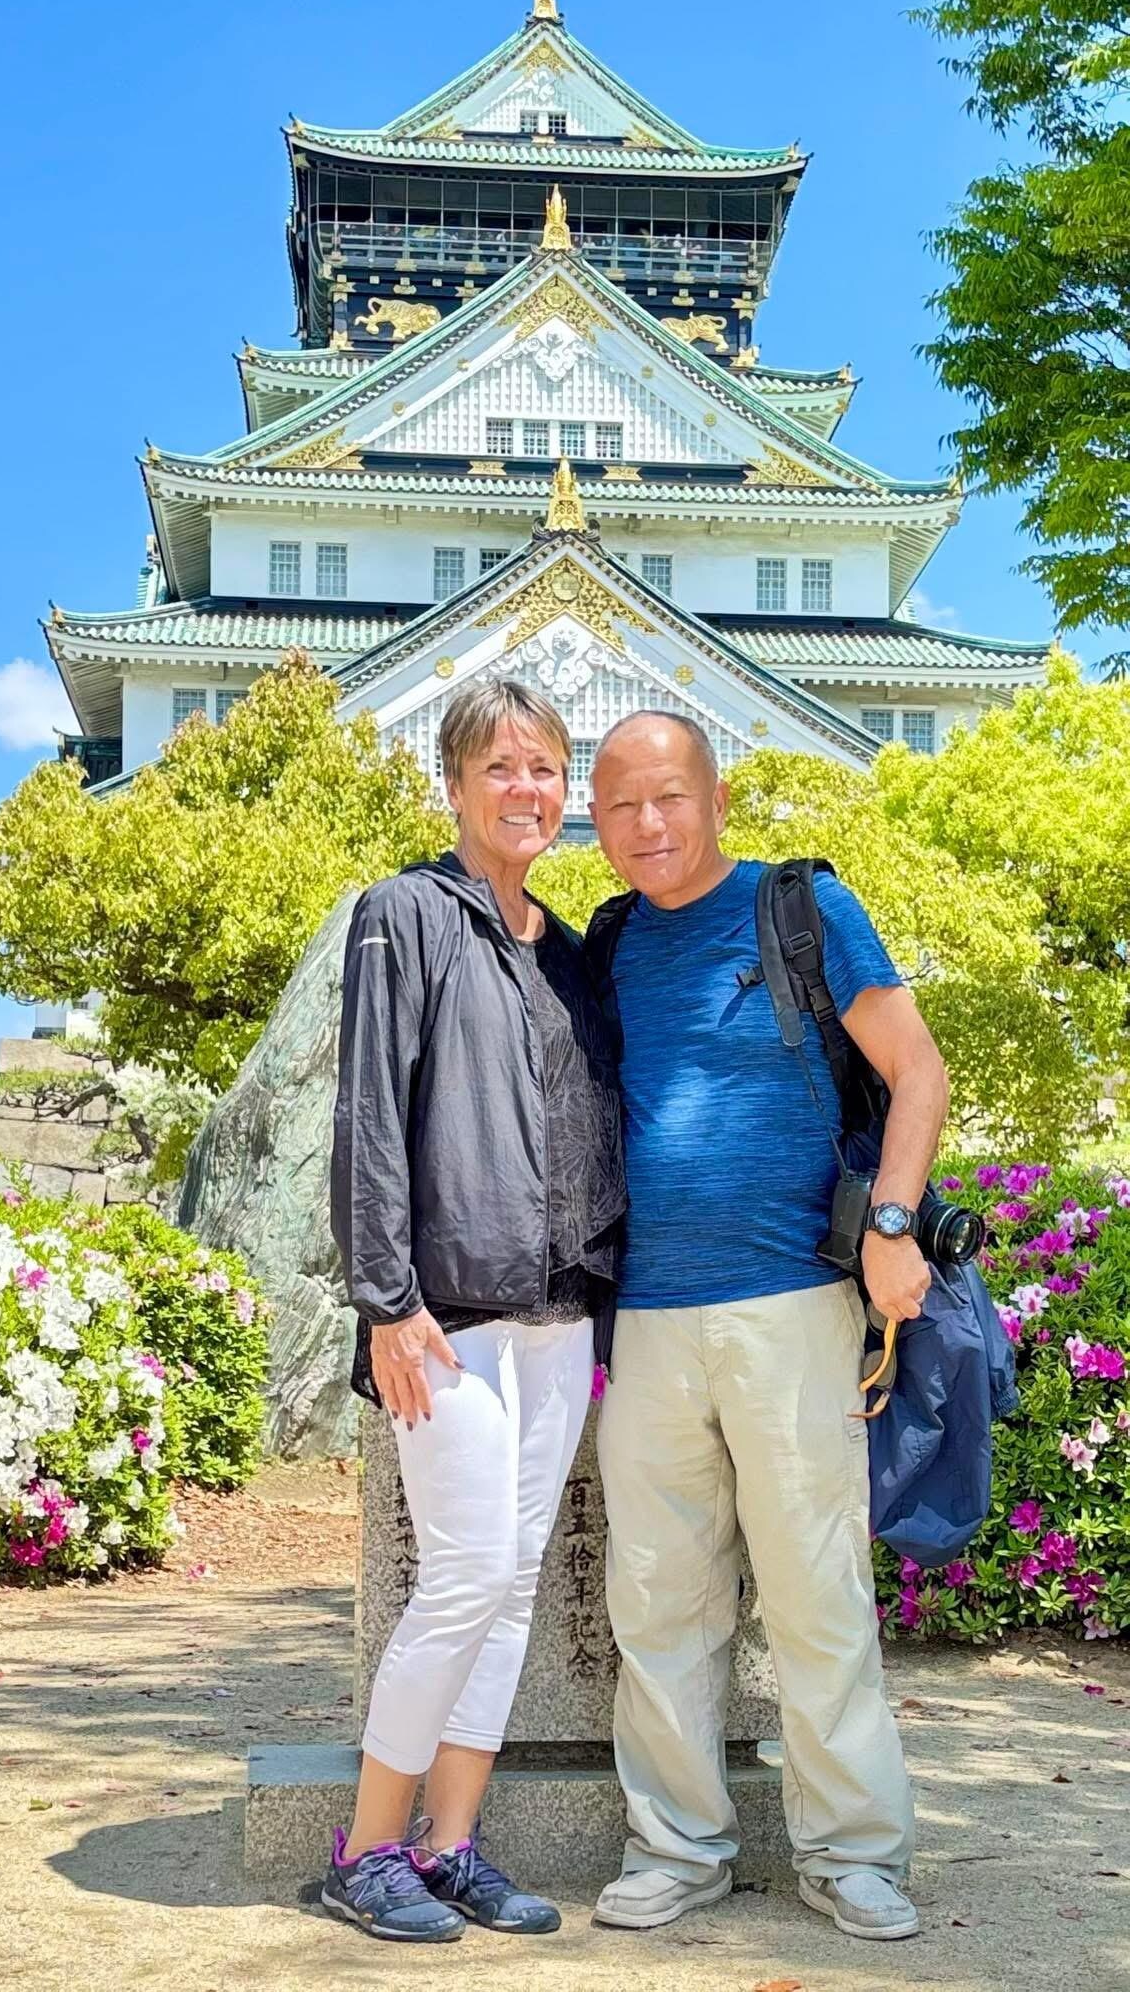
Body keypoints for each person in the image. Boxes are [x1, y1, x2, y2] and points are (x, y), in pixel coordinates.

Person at [585, 710, 949, 1942]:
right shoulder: (611, 940)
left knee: (815, 1594)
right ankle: (676, 1847)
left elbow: (918, 1068)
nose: (648, 822)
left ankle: (853, 1854)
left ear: (717, 798)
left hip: (792, 1302)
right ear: (599, 818)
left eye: (669, 795)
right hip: (647, 1320)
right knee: (659, 1599)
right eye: (621, 803)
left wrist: (891, 1219)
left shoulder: (802, 910)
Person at [324, 680, 625, 1945]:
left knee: (511, 1586)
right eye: (499, 766)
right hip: (443, 1316)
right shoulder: (403, 913)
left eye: (545, 767)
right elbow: (369, 1114)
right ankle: (363, 1848)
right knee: (465, 1576)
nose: (525, 788)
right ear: (453, 784)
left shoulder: (573, 950)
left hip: (561, 1314)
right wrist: (386, 1301)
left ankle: (449, 1843)